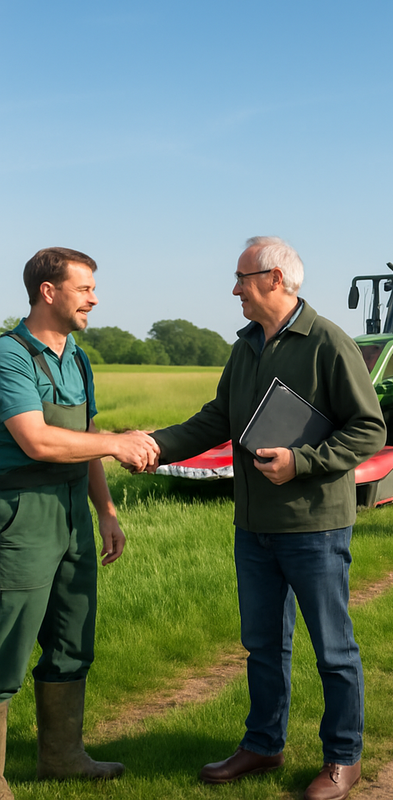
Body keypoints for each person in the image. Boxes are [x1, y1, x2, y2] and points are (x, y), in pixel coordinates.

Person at [149, 236, 386, 800]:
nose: (234, 289)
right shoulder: (247, 346)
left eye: (241, 278)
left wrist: (303, 461)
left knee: (333, 648)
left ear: (274, 280)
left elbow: (369, 428)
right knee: (261, 645)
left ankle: (343, 759)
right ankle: (263, 744)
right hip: (253, 528)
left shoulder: (329, 341)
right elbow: (217, 419)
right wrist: (154, 445)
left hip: (314, 527)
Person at [0, 247, 159, 800]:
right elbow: (38, 439)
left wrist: (107, 512)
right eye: (85, 287)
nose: (95, 297)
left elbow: (85, 438)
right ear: (49, 292)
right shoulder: (10, 356)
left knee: (72, 638)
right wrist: (117, 443)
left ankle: (63, 760)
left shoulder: (79, 357)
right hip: (23, 514)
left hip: (73, 515)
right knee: (6, 647)